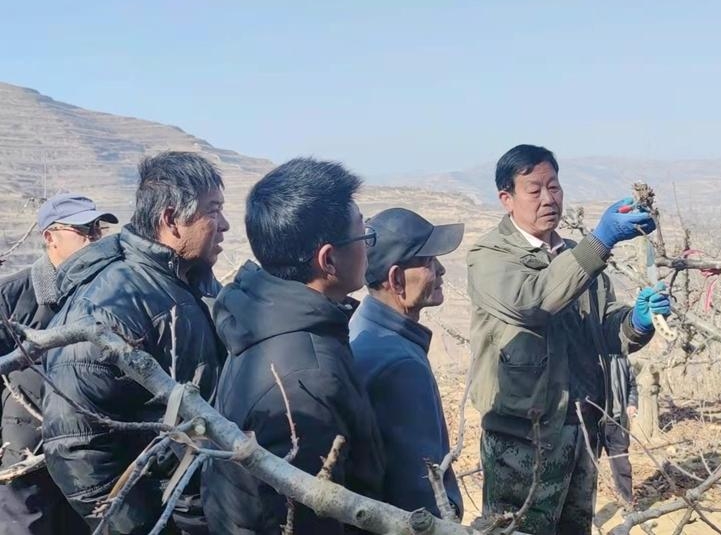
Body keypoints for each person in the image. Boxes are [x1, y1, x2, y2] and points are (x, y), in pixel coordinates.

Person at [467, 144, 670, 534]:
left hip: (581, 431)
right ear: (506, 199)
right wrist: (602, 240)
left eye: (554, 187)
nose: (548, 199)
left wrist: (638, 321)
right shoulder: (490, 257)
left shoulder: (576, 256)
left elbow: (606, 332)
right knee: (517, 530)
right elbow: (535, 302)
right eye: (534, 189)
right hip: (523, 439)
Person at [41, 152, 229, 534]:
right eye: (213, 211)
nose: (224, 224)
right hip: (171, 519)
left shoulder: (193, 279)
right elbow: (75, 446)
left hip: (212, 506)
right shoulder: (109, 306)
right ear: (171, 220)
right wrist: (144, 528)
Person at [203, 158, 385, 535]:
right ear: (328, 260)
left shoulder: (261, 317)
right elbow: (307, 523)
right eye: (362, 236)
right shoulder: (305, 382)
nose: (368, 246)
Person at [0, 194, 116, 535]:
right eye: (83, 230)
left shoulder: (108, 292)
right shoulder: (12, 296)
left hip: (88, 445)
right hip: (25, 446)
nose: (94, 239)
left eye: (98, 229)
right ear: (50, 237)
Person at [349, 207, 465, 519]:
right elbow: (421, 496)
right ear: (397, 279)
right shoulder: (400, 365)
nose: (441, 269)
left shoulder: (363, 326)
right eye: (428, 261)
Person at [602, 355, 638, 506]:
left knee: (622, 464)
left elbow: (632, 385)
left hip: (618, 420)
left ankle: (627, 503)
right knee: (587, 466)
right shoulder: (591, 354)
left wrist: (632, 403)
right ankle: (585, 512)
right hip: (595, 420)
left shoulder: (622, 359)